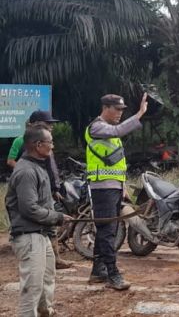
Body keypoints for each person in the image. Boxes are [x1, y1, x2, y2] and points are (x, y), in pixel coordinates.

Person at [6, 125, 72, 317]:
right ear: (38, 144)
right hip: (29, 236)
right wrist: (57, 218)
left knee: (46, 280)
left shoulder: (37, 166)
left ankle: (46, 313)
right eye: (50, 141)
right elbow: (29, 208)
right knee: (32, 289)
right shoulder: (26, 171)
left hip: (41, 234)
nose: (53, 145)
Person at [85, 93, 147, 290]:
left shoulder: (109, 132)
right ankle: (113, 274)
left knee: (107, 229)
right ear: (106, 108)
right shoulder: (97, 127)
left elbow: (117, 163)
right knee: (107, 231)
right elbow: (119, 130)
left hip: (113, 186)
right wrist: (139, 114)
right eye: (117, 109)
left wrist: (123, 187)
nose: (120, 113)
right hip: (102, 188)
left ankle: (98, 271)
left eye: (122, 110)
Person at [7, 111, 73, 269]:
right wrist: (28, 176)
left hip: (45, 186)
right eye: (47, 123)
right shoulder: (23, 145)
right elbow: (10, 161)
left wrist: (54, 187)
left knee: (51, 228)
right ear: (35, 124)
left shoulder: (45, 146)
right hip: (31, 188)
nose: (51, 127)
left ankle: (55, 258)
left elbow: (51, 169)